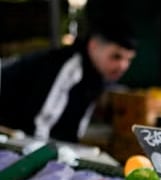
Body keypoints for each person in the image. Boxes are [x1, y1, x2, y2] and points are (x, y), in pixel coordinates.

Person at [0, 2, 137, 143]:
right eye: (116, 56)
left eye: (129, 60)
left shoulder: (96, 75)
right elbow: (39, 125)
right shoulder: (68, 66)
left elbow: (76, 129)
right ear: (94, 46)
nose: (123, 66)